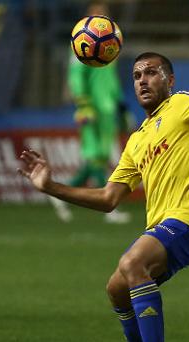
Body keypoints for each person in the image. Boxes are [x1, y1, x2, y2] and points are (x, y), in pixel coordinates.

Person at [18, 53, 189, 342]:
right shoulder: (136, 140)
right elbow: (109, 198)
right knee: (116, 290)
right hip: (162, 227)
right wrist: (50, 186)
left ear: (169, 80)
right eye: (136, 76)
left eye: (150, 73)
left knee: (132, 262)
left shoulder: (181, 104)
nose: (142, 80)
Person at [49, 1, 131, 224]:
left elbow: (111, 80)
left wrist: (121, 106)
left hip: (108, 108)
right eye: (95, 14)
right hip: (92, 108)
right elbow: (76, 77)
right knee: (96, 155)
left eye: (103, 15)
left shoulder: (110, 44)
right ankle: (109, 208)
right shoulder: (81, 43)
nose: (100, 18)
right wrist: (83, 104)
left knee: (100, 157)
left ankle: (60, 195)